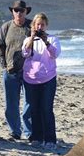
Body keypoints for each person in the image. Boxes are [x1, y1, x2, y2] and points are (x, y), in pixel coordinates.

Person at [22, 12, 61, 149]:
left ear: (46, 26)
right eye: (37, 24)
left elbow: (55, 54)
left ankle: (50, 139)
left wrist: (45, 41)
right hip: (31, 78)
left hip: (48, 78)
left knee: (46, 108)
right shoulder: (27, 40)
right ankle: (37, 137)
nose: (40, 27)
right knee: (34, 109)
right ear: (33, 25)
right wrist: (32, 38)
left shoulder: (53, 39)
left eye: (42, 25)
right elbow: (25, 53)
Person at [0, 0, 32, 140]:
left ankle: (29, 132)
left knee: (29, 102)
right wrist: (4, 65)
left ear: (26, 12)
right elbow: (0, 47)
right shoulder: (6, 27)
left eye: (21, 10)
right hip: (10, 71)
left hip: (29, 71)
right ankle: (15, 131)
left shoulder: (31, 27)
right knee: (11, 103)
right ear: (12, 12)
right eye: (16, 10)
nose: (18, 13)